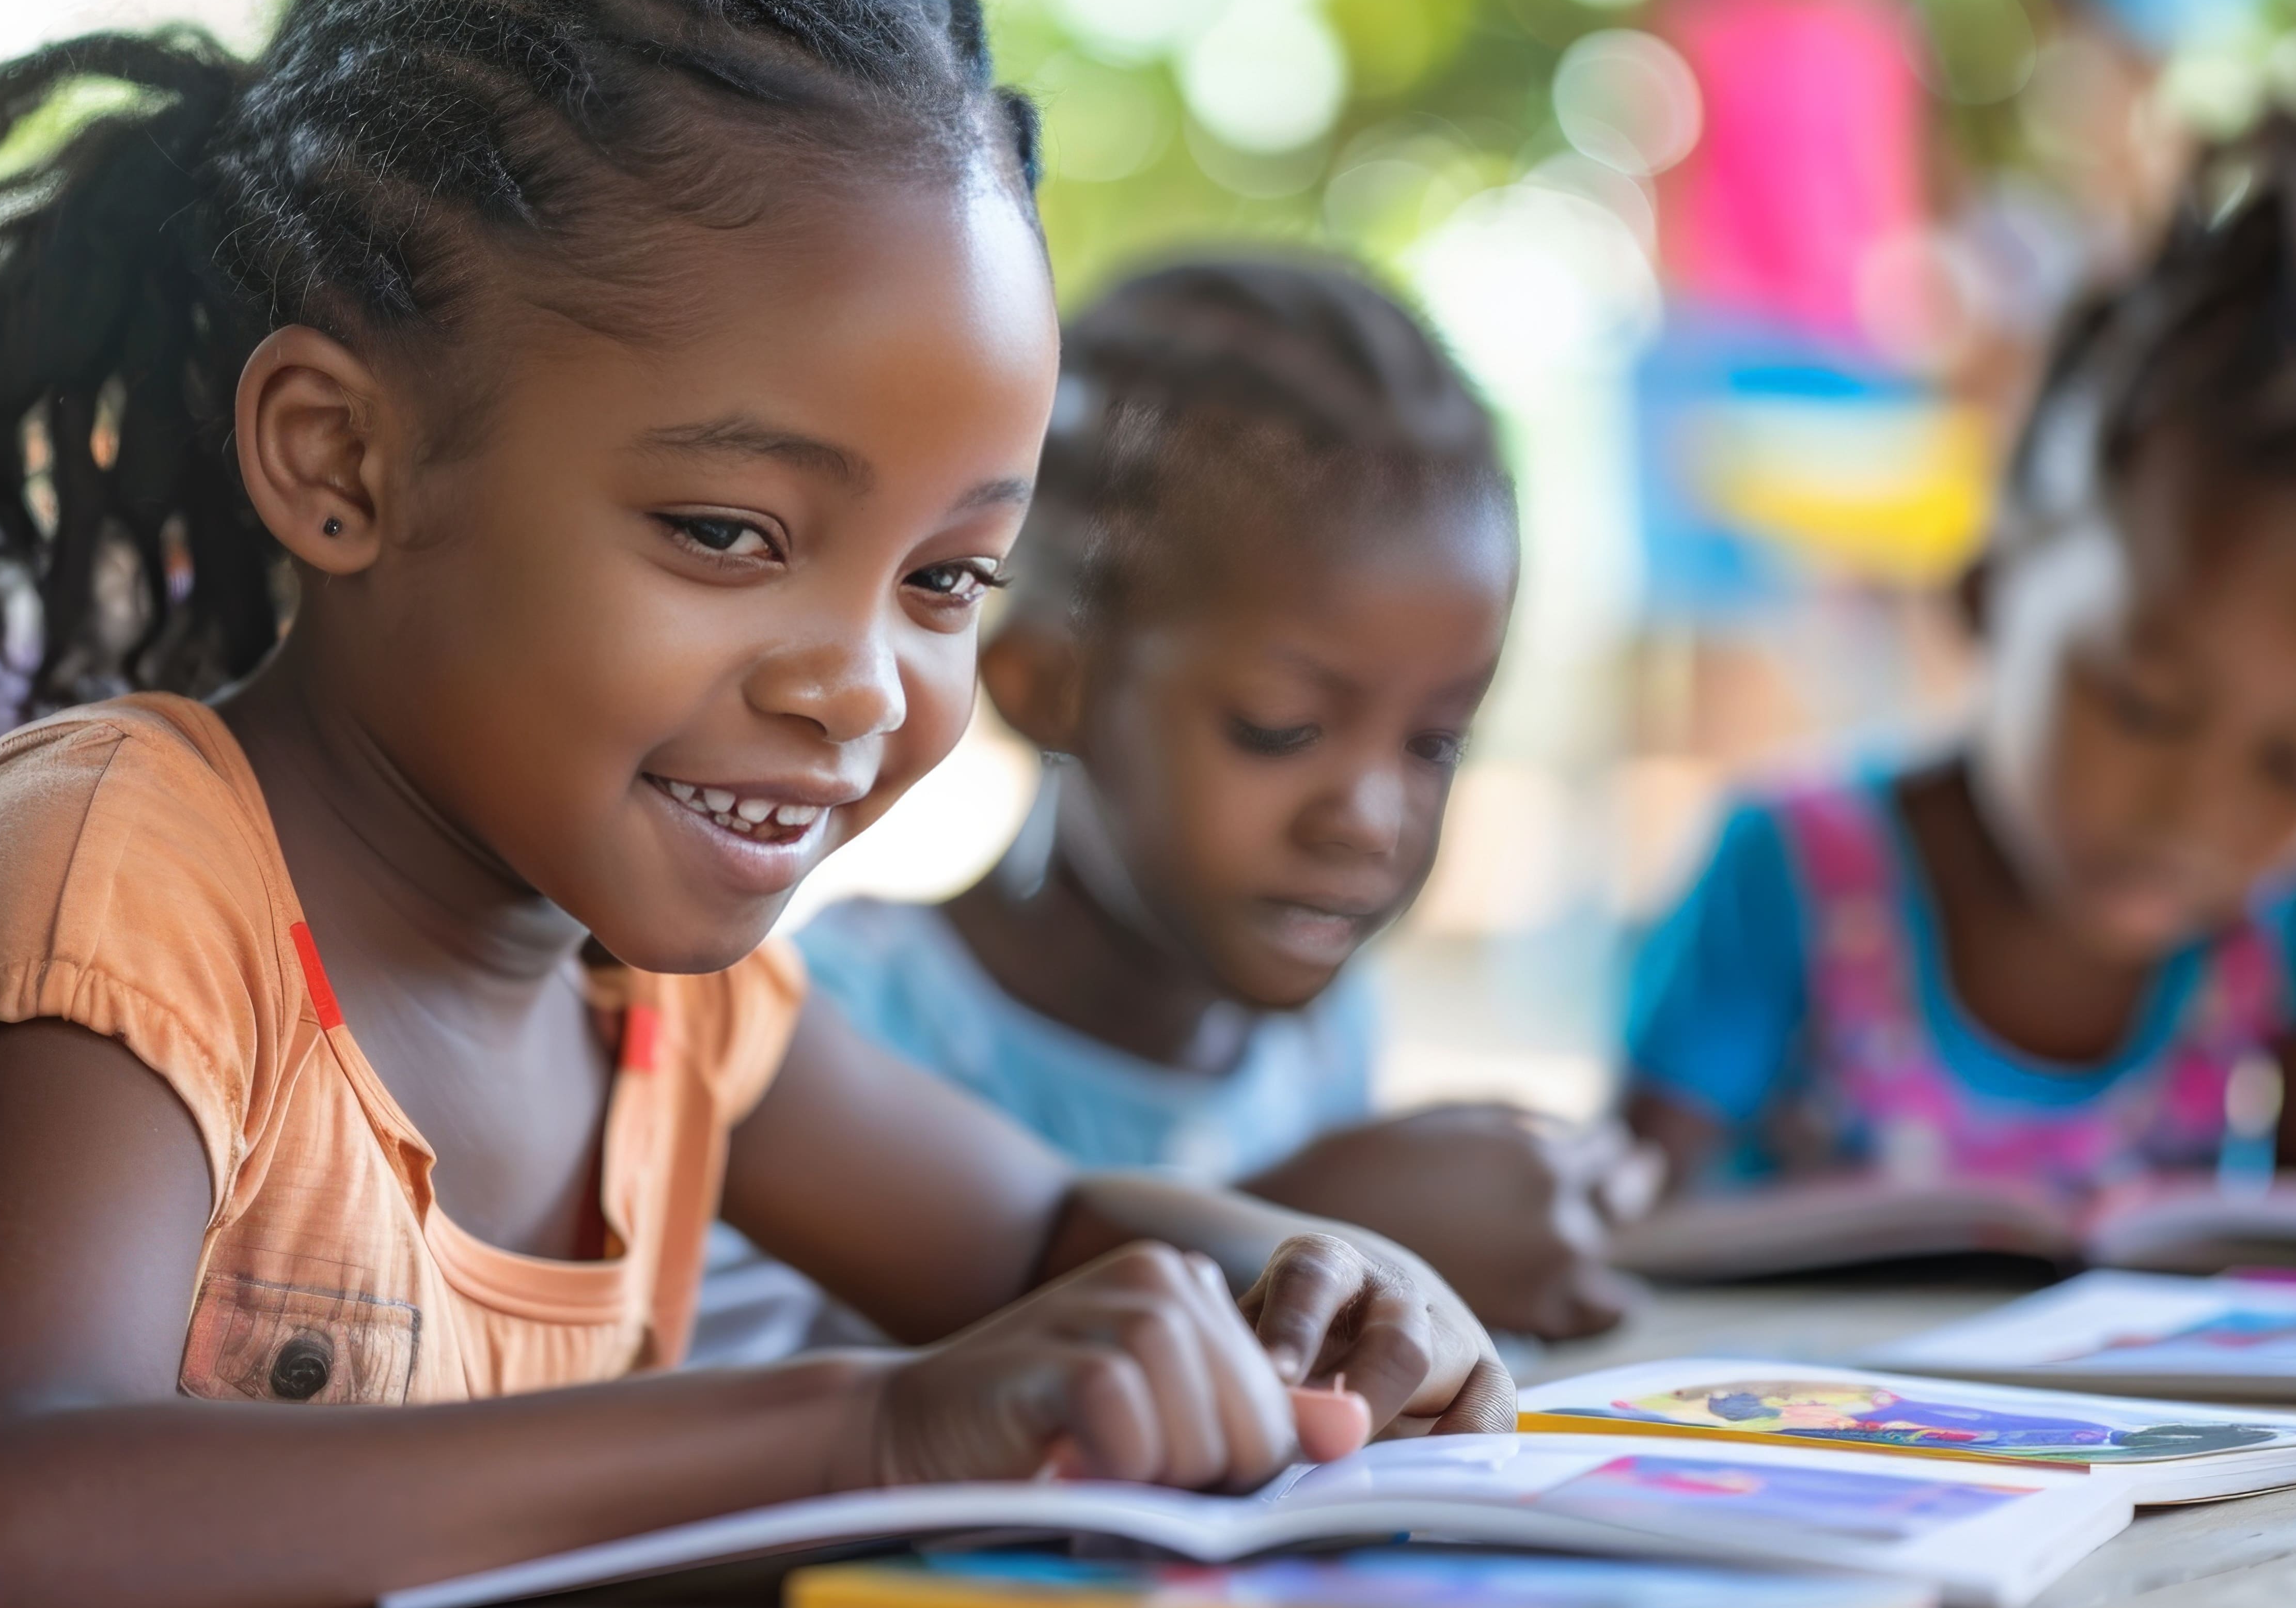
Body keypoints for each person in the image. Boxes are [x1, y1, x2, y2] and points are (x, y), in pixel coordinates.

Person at [0, 0, 1509, 1608]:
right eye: (728, 531)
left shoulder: (663, 1011)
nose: (862, 681)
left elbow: (1034, 1231)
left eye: (948, 578)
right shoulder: (125, 876)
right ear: (340, 462)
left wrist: (1299, 1275)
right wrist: (864, 1430)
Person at [696, 257, 1651, 1363]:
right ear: (1047, 685)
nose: (1369, 819)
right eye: (1280, 729)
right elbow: (818, 1402)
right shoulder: (830, 1031)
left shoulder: (1315, 1038)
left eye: (1436, 743)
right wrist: (1320, 1223)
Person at [1625, 112, 2296, 1200]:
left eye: (2293, 761)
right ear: (1986, 592)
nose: (2196, 809)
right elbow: (1626, 1241)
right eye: (2141, 706)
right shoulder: (1785, 875)